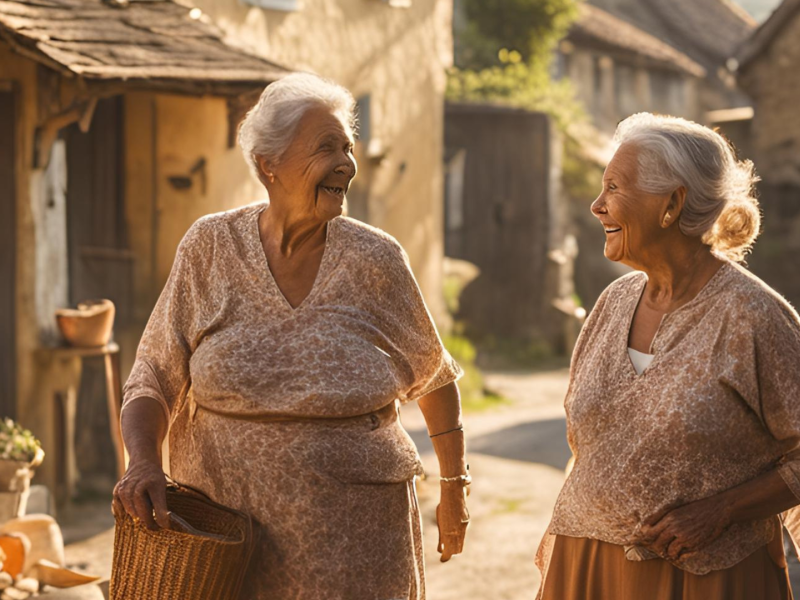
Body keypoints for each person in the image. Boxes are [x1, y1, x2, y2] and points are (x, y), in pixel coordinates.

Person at [112, 72, 470, 600]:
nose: (346, 164)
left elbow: (433, 376)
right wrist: (142, 461)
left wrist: (453, 486)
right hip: (227, 546)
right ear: (268, 165)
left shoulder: (376, 259)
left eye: (347, 147)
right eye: (326, 148)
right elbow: (154, 374)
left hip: (355, 546)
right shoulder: (209, 247)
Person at [537, 112, 800, 600]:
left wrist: (723, 509)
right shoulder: (613, 303)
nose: (597, 206)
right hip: (587, 568)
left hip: (704, 577)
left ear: (672, 204)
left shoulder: (752, 317)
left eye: (614, 188)